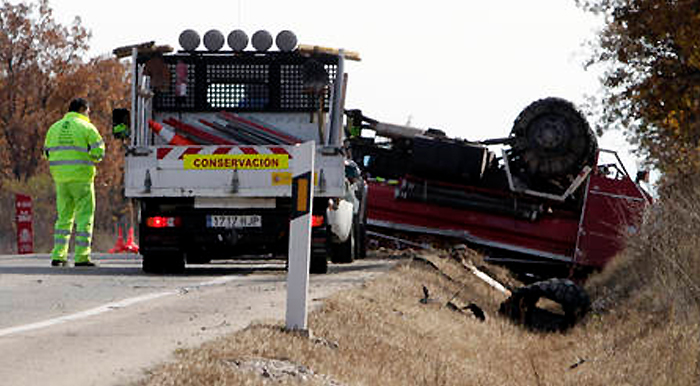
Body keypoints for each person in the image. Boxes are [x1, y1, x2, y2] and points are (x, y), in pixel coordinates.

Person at [44, 98, 105, 267]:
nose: (89, 115)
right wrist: (91, 158)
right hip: (82, 180)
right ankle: (82, 257)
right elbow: (99, 152)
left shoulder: (54, 128)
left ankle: (58, 255)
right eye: (88, 111)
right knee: (84, 217)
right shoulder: (87, 127)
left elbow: (46, 153)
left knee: (63, 218)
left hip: (61, 180)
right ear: (83, 109)